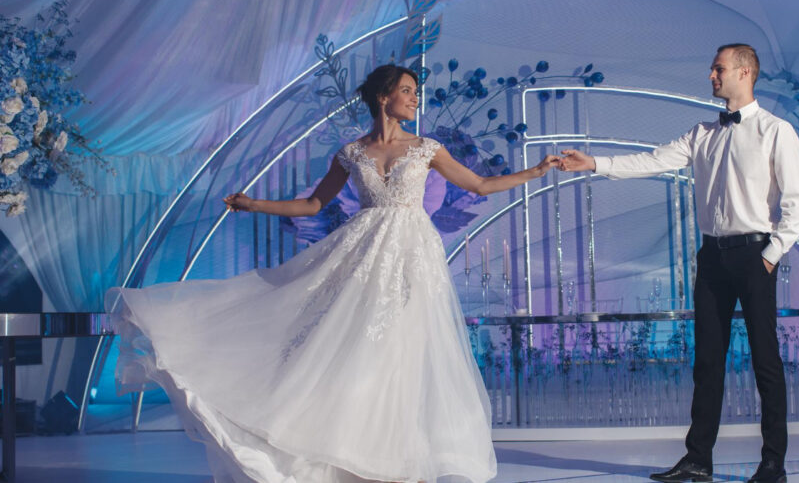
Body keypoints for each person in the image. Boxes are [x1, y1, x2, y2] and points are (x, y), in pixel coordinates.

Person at [108, 63, 560, 483]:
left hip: (411, 261)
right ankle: (348, 459)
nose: (414, 99)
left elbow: (479, 185)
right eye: (406, 91)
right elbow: (313, 204)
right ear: (383, 97)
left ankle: (399, 462)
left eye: (415, 93)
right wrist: (255, 204)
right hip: (362, 256)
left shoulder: (426, 148)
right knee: (355, 352)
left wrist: (537, 171)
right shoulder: (351, 152)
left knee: (403, 354)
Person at [559, 44, 799, 483]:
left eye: (719, 69)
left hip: (755, 255)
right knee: (707, 361)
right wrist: (594, 162)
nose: (711, 75)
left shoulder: (776, 131)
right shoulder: (702, 134)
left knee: (765, 361)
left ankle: (773, 463)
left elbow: (797, 203)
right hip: (712, 255)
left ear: (745, 72)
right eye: (712, 69)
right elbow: (652, 160)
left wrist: (771, 256)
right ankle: (698, 459)